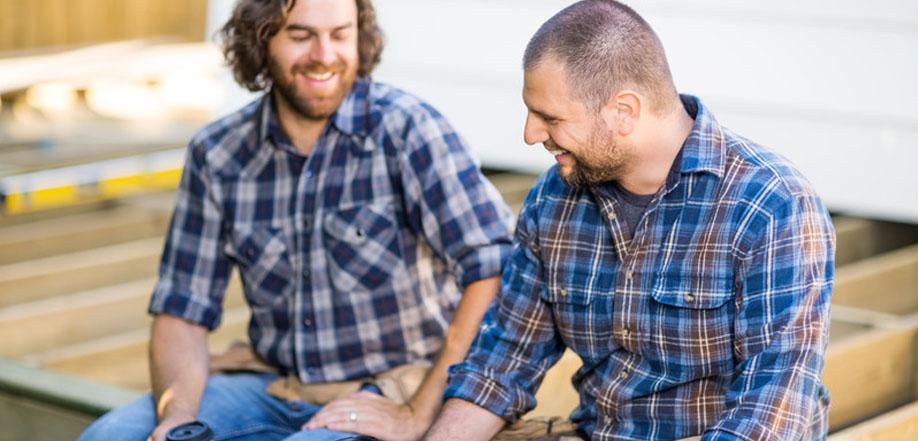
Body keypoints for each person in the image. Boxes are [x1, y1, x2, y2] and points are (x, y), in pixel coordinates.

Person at [78, 0, 513, 440]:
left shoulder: (410, 131)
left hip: (390, 387)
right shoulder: (218, 153)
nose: (324, 54)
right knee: (108, 436)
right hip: (271, 382)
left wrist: (419, 413)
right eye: (301, 36)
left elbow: (495, 269)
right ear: (261, 41)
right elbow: (181, 310)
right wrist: (177, 418)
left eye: (340, 35)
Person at [426, 1, 836, 440]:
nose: (530, 134)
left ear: (624, 111)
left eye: (550, 118)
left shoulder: (772, 206)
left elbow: (768, 415)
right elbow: (502, 364)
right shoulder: (554, 198)